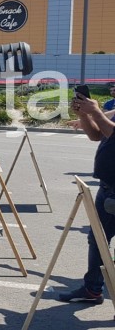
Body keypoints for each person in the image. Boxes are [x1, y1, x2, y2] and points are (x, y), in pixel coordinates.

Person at [57, 92, 115, 305]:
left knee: (99, 239)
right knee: (97, 240)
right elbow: (97, 135)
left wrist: (96, 112)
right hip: (107, 187)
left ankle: (94, 289)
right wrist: (84, 115)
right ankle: (92, 289)